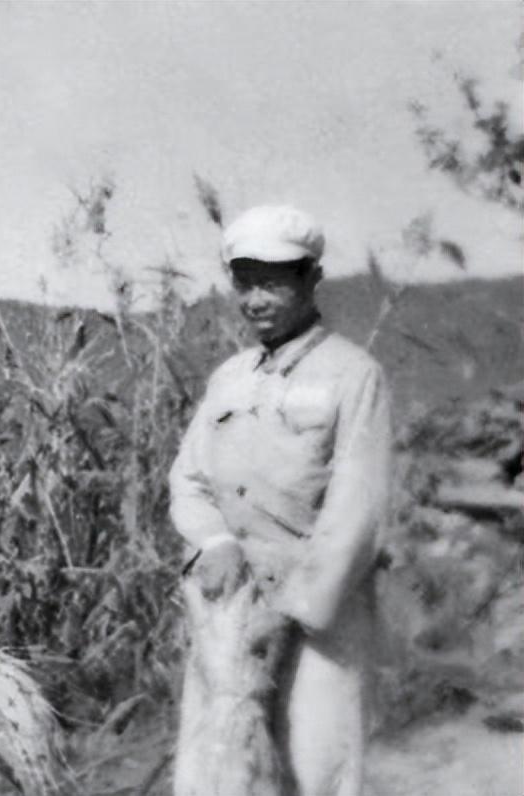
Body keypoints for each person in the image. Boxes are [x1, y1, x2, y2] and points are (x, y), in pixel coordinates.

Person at [169, 205, 393, 796]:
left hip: (320, 616)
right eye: (245, 282)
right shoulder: (230, 379)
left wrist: (293, 611)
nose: (256, 299)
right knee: (218, 768)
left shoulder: (352, 375)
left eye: (273, 281)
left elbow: (357, 509)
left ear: (310, 279)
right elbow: (189, 480)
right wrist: (214, 541)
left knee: (314, 766)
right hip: (229, 613)